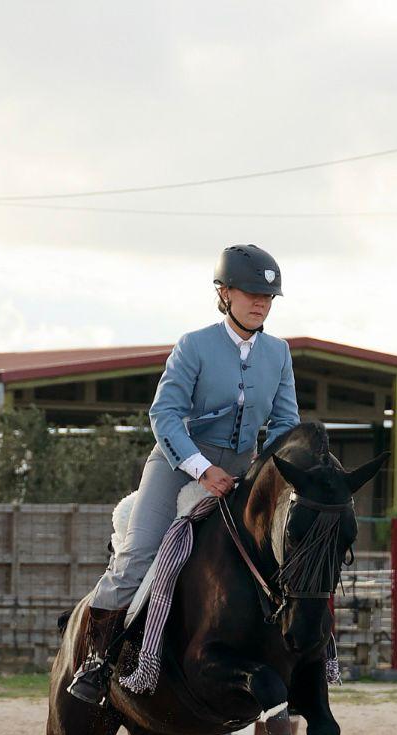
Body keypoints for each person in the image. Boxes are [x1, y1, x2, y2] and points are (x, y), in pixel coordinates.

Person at [67, 244, 300, 705]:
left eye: (268, 297)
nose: (261, 303)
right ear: (224, 293)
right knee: (136, 556)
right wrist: (202, 468)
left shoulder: (279, 353)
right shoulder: (194, 345)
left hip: (244, 470)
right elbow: (165, 414)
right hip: (180, 462)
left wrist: (276, 476)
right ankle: (96, 662)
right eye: (252, 293)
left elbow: (286, 424)